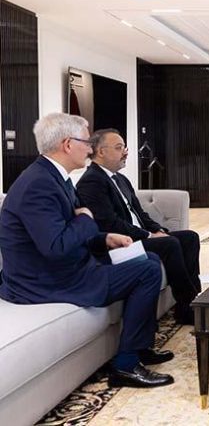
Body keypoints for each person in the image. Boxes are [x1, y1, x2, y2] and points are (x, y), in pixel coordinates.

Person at [0, 113, 174, 388]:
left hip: (65, 268)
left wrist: (105, 239)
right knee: (147, 271)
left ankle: (140, 347)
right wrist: (85, 219)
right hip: (45, 282)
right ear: (68, 144)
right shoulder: (38, 184)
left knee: (149, 257)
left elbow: (68, 233)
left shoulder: (55, 177)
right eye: (86, 142)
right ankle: (126, 366)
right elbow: (56, 246)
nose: (90, 149)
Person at [76, 128, 201, 325]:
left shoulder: (120, 179)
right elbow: (110, 223)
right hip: (120, 244)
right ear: (100, 152)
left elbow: (140, 214)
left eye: (124, 147)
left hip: (138, 236)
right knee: (169, 244)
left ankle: (194, 303)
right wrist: (148, 236)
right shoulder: (91, 181)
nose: (125, 152)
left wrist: (158, 230)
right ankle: (188, 306)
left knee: (189, 237)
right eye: (119, 148)